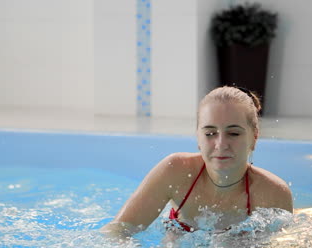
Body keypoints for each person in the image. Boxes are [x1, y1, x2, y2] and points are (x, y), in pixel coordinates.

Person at [100, 86, 293, 239]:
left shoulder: (272, 193)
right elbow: (117, 231)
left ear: (255, 137)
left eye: (233, 133)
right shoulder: (175, 172)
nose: (221, 144)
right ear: (198, 138)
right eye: (210, 133)